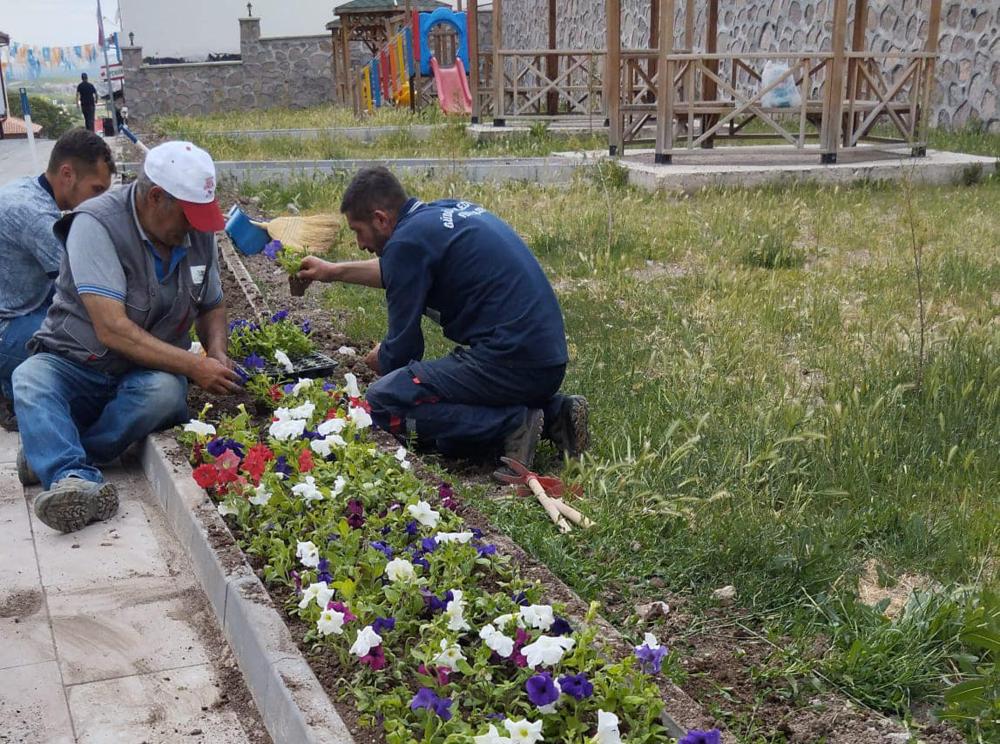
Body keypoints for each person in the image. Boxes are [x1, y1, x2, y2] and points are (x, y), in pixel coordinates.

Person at [296, 167, 589, 479]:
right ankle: (556, 413)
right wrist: (334, 271)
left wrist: (381, 359)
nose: (359, 243)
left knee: (382, 403)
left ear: (381, 219)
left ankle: (513, 424)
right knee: (447, 429)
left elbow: (403, 352)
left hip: (509, 361)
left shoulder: (406, 245)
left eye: (358, 231)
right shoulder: (435, 216)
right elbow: (398, 268)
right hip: (545, 362)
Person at [12, 141, 242, 533]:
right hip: (77, 363)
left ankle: (54, 451)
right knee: (30, 379)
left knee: (164, 393)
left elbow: (212, 304)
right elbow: (111, 328)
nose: (194, 227)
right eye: (189, 216)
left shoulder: (195, 231)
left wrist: (216, 351)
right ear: (156, 197)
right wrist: (193, 365)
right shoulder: (95, 224)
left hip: (145, 373)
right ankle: (72, 478)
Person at [0, 128, 116, 431]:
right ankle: (17, 397)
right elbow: (84, 287)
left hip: (24, 308)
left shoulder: (30, 191)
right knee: (83, 359)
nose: (101, 201)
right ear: (67, 173)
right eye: (96, 190)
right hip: (8, 325)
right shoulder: (35, 214)